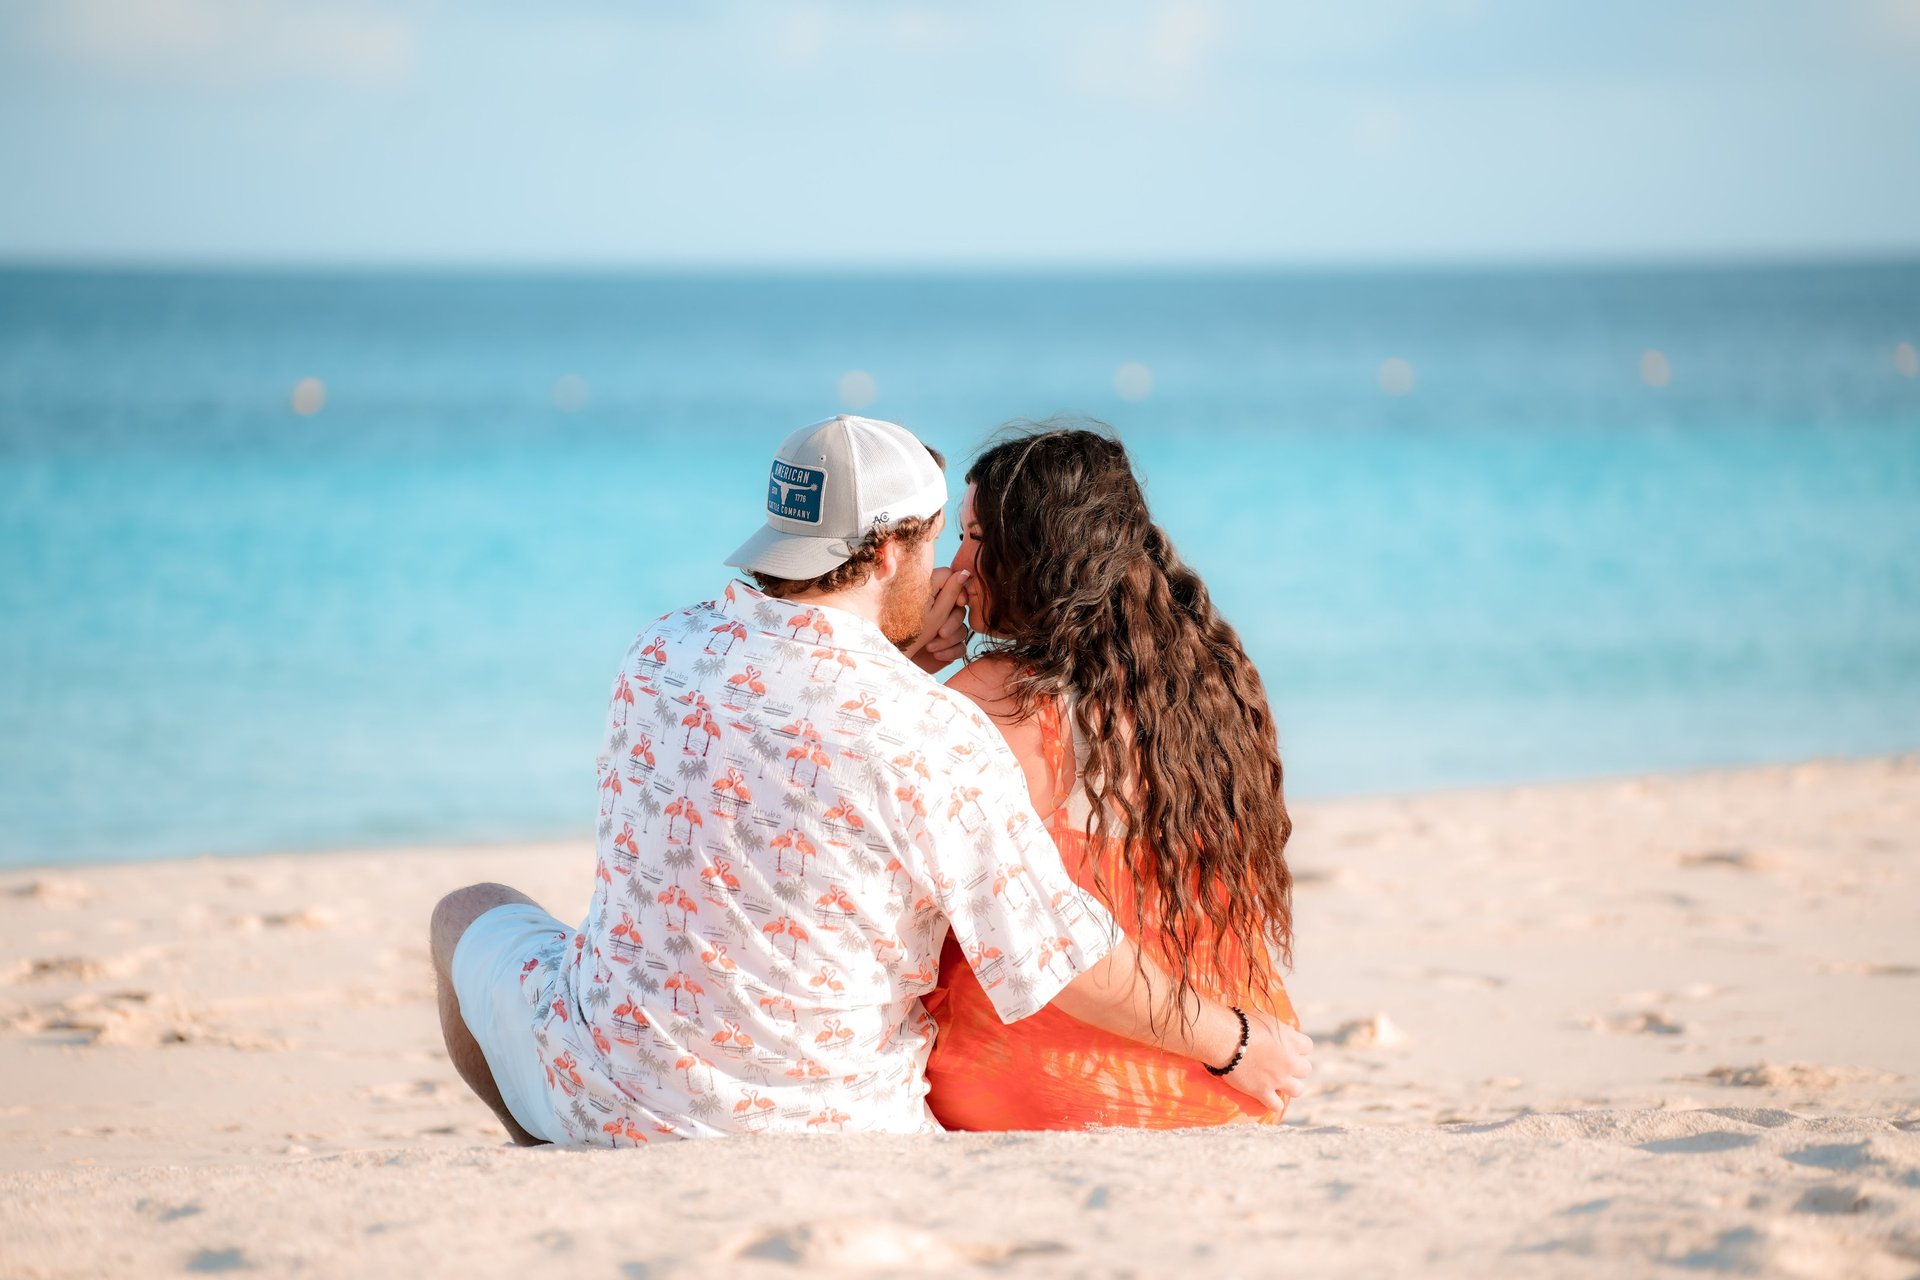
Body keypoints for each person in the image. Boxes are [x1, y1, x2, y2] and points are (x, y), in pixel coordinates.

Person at [428, 414, 1311, 1145]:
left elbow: (797, 706)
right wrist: (1231, 1042)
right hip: (836, 1127)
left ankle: (539, 1142)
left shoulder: (655, 652)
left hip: (608, 1100)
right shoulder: (935, 731)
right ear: (890, 553)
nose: (953, 571)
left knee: (463, 912)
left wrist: (889, 653)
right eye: (940, 542)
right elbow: (1061, 959)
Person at [923, 424, 1301, 1130]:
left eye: (975, 537)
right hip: (1233, 1080)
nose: (957, 563)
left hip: (1046, 1085)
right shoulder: (1209, 686)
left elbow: (1039, 946)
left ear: (1031, 556)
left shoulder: (990, 701)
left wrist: (907, 667)